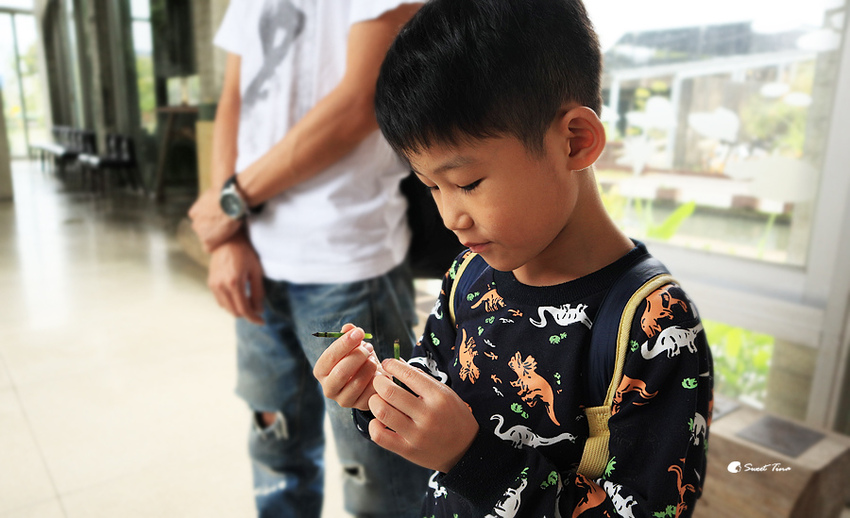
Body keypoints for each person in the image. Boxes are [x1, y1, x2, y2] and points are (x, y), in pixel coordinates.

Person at [312, 0, 714, 516]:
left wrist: (470, 457)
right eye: (432, 186)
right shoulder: (469, 274)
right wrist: (380, 393)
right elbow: (434, 379)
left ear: (575, 142)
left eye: (467, 183)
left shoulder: (651, 324)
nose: (451, 217)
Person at [187, 1, 430, 517]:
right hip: (256, 255)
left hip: (347, 258)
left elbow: (362, 99)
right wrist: (229, 234)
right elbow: (233, 98)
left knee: (381, 471)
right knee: (275, 448)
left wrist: (233, 201)